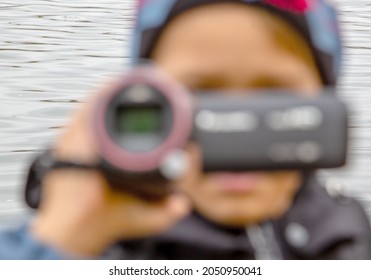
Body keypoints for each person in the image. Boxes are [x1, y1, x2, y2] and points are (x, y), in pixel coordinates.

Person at [1, 0, 370, 259]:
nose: (236, 125)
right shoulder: (98, 241)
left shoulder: (347, 236)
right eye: (199, 94)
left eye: (273, 97)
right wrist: (64, 236)